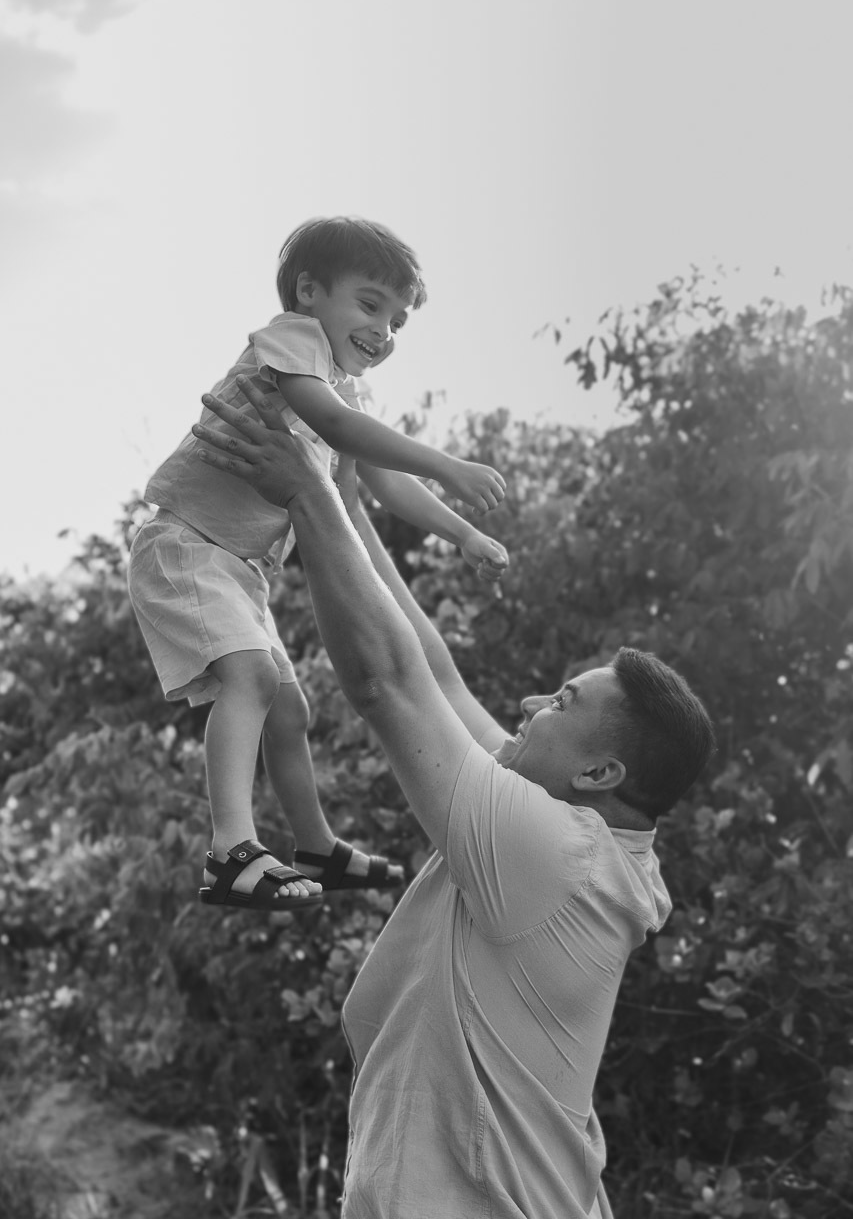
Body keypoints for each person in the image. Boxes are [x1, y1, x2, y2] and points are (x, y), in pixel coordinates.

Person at [193, 375, 717, 1219]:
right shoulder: (570, 827)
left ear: (600, 775)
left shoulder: (556, 852)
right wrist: (352, 508)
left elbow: (385, 683)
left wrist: (304, 488)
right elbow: (434, 671)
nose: (525, 706)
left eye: (560, 703)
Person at [128, 217, 508, 912]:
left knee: (287, 705)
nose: (384, 330)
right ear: (310, 291)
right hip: (187, 546)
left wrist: (460, 534)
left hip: (238, 567)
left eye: (397, 320)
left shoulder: (343, 387)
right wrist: (447, 464)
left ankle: (315, 850)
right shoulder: (292, 340)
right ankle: (231, 852)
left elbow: (381, 482)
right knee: (247, 679)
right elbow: (335, 431)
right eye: (369, 305)